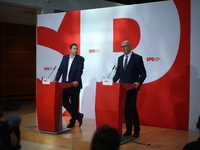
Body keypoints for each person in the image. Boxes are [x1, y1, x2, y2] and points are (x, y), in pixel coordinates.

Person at [113, 40, 147, 138]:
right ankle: (128, 130)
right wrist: (112, 82)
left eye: (125, 46)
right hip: (122, 89)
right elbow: (118, 74)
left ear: (130, 46)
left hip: (132, 88)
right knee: (125, 110)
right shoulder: (120, 59)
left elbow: (143, 73)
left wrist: (138, 82)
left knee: (132, 108)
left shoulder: (137, 58)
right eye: (121, 46)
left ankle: (136, 130)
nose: (123, 48)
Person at [54, 43, 84, 128]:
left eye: (76, 49)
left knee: (75, 104)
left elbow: (79, 71)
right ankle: (78, 115)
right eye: (74, 49)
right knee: (64, 102)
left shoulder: (80, 59)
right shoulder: (65, 58)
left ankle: (72, 121)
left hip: (74, 85)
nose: (76, 50)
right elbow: (60, 69)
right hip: (65, 85)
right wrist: (56, 79)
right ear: (70, 50)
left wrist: (77, 80)